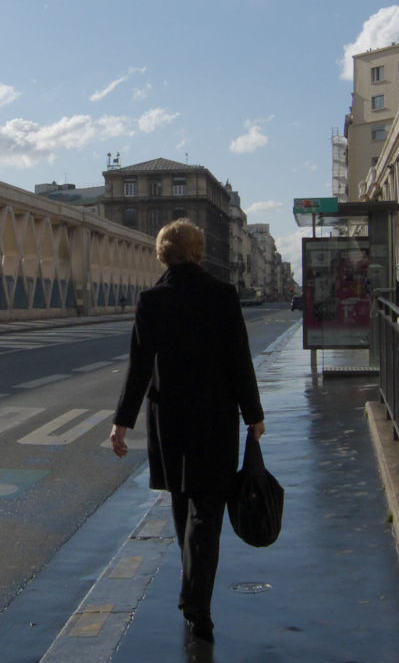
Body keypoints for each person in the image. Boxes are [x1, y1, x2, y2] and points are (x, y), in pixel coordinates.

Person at [108, 220, 265, 646]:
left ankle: (192, 593)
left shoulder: (152, 300)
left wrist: (122, 422)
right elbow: (239, 359)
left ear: (162, 254)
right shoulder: (223, 295)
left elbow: (139, 366)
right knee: (207, 512)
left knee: (183, 505)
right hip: (215, 417)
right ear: (198, 251)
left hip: (171, 420)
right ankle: (198, 603)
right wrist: (254, 413)